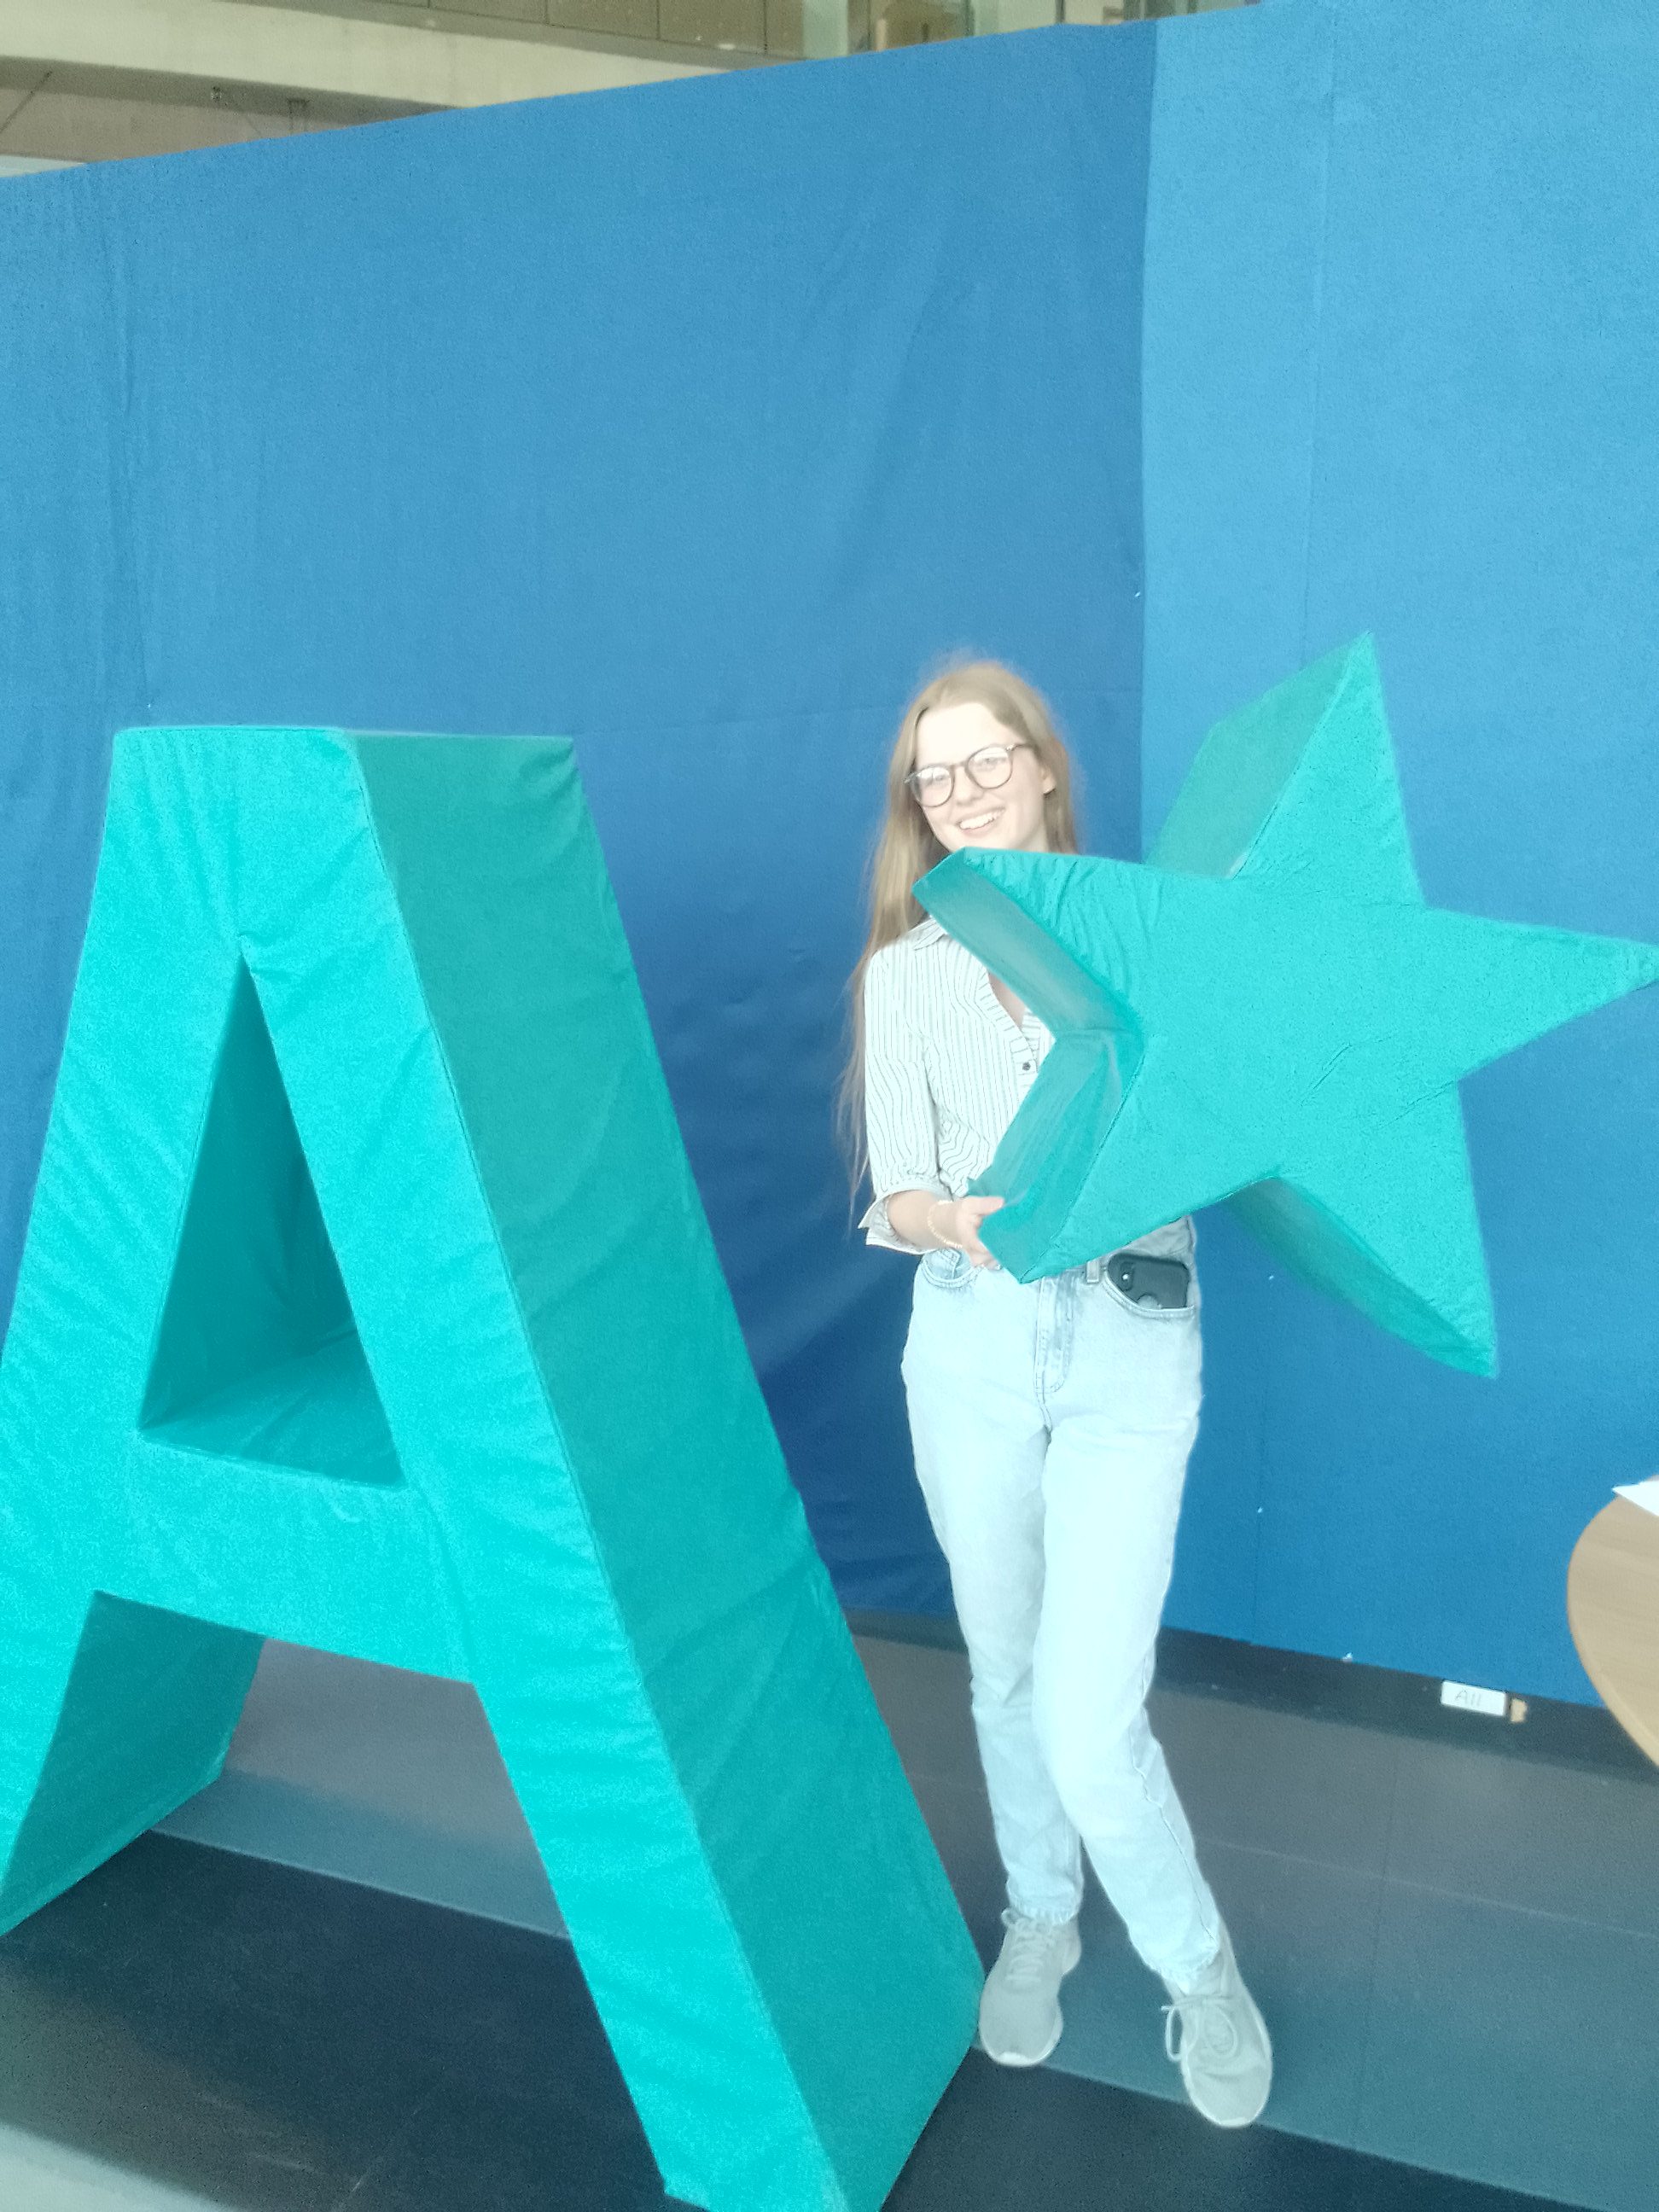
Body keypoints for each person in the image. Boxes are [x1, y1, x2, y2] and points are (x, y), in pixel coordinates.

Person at [842, 660, 1272, 2128]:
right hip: (969, 1341)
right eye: (932, 778)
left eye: (983, 764)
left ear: (1041, 769)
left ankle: (1198, 1967)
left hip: (1128, 1353)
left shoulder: (1150, 940)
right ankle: (1041, 1913)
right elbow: (895, 1190)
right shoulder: (903, 973)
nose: (959, 795)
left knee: (1093, 1717)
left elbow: (1221, 1136)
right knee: (1005, 1669)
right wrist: (953, 1219)